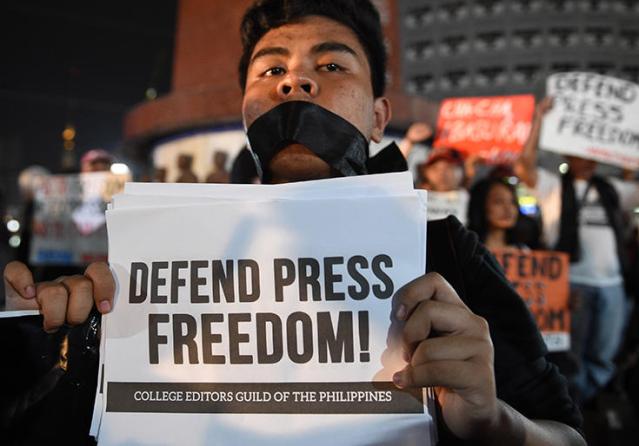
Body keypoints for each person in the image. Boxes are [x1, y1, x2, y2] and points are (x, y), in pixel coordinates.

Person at [3, 1, 584, 444]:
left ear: (379, 117)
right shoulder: (156, 258)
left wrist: (492, 420)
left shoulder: (446, 253)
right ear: (246, 110)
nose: (295, 81)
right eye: (271, 68)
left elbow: (567, 433)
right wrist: (62, 347)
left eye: (331, 64)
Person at [515, 97, 639, 406]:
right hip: (570, 283)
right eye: (580, 152)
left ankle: (580, 403)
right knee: (570, 356)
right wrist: (538, 120)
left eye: (592, 152)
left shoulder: (612, 189)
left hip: (613, 284)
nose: (587, 158)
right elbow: (523, 166)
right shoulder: (551, 186)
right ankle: (575, 408)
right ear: (567, 155)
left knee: (604, 353)